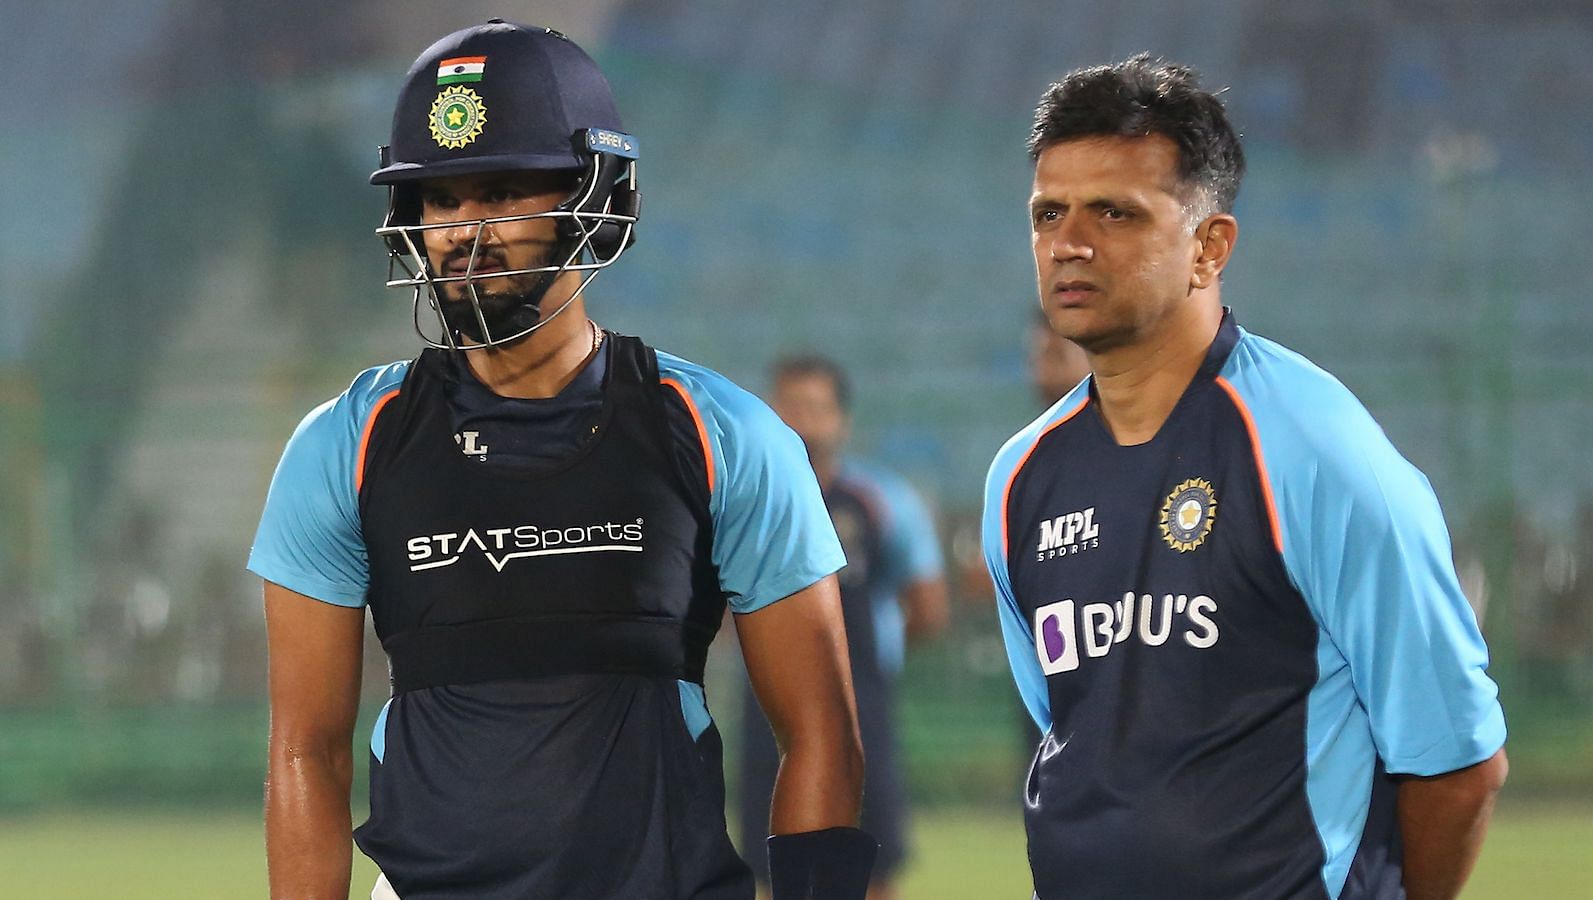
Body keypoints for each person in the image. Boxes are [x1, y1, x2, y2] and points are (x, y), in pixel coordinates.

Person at [248, 20, 877, 900]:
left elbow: (822, 736)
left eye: (504, 191)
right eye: (440, 198)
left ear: (598, 197)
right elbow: (305, 750)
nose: (466, 230)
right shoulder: (345, 444)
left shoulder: (722, 432)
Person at [980, 55, 1508, 900]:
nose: (1070, 243)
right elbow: (1071, 732)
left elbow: (1457, 763)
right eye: (1049, 213)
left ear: (1209, 246)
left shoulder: (1317, 452)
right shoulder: (1020, 478)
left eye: (1115, 212)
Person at [736, 356, 949, 900]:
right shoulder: (742, 504)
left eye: (816, 408)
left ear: (841, 420)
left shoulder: (880, 501)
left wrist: (875, 657)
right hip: (767, 708)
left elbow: (927, 606)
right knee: (772, 868)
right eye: (790, 406)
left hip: (860, 708)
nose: (802, 421)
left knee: (872, 866)